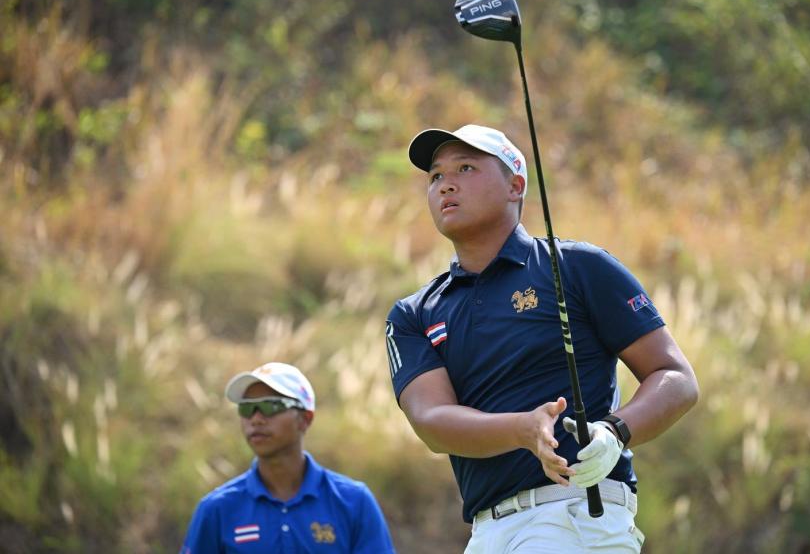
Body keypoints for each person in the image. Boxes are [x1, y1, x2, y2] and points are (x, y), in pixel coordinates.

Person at [385, 124, 699, 553]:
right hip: (486, 532)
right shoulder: (414, 313)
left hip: (574, 513)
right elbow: (432, 421)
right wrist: (523, 429)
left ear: (515, 186)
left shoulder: (579, 267)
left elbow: (676, 377)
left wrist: (614, 432)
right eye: (435, 176)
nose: (446, 185)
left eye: (466, 168)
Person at [181, 362, 395, 554]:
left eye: (270, 406)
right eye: (247, 408)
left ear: (305, 419)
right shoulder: (216, 509)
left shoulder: (354, 502)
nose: (256, 419)